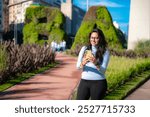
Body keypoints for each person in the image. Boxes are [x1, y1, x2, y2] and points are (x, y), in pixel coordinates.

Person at [76, 28, 110, 100]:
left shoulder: (105, 51)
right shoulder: (84, 49)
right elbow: (77, 67)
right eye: (92, 37)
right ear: (89, 38)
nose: (93, 40)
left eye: (96, 38)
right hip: (84, 81)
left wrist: (95, 63)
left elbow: (103, 70)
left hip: (99, 83)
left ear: (100, 39)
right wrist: (83, 63)